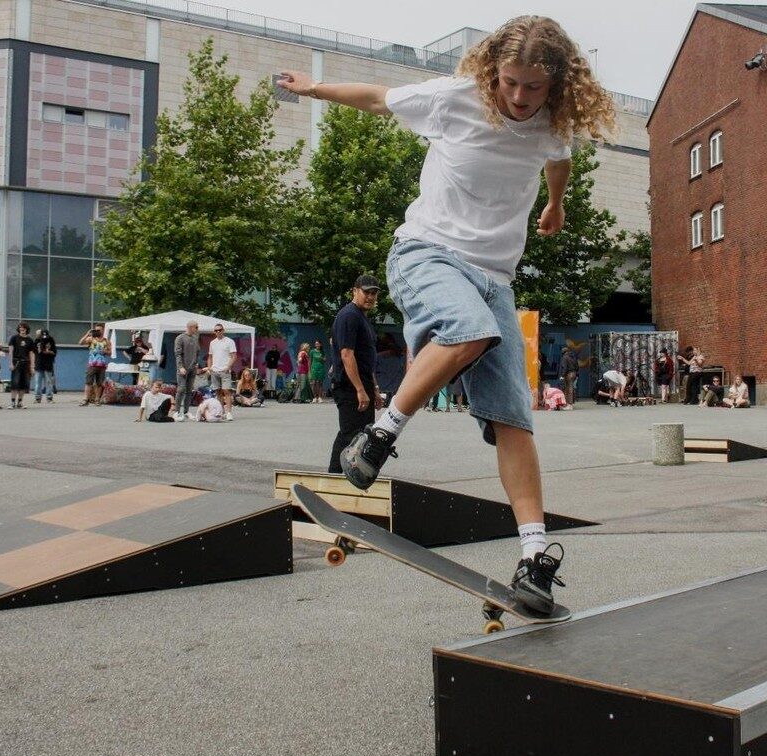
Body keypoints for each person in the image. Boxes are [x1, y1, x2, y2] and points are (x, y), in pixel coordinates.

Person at [279, 16, 614, 613]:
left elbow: (558, 161)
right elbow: (377, 98)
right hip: (426, 253)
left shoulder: (554, 125)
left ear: (555, 85)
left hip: (495, 281)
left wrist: (557, 205)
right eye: (509, 82)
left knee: (515, 418)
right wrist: (312, 88)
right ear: (493, 72)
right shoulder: (454, 99)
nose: (517, 97)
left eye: (532, 88)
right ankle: (376, 439)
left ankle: (533, 557)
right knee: (469, 331)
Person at [324, 274, 382, 469]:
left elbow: (366, 358)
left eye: (374, 293)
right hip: (349, 386)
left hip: (362, 383)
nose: (371, 297)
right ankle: (334, 478)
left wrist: (372, 388)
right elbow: (347, 354)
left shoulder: (361, 318)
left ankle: (352, 475)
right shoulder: (349, 315)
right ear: (355, 291)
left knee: (363, 435)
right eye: (366, 292)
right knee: (350, 433)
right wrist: (359, 389)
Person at [205, 322, 237, 420]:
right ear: (214, 332)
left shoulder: (229, 341)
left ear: (223, 330)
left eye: (220, 330)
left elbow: (234, 356)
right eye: (216, 330)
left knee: (226, 391)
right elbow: (210, 357)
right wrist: (209, 368)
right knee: (218, 392)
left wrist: (228, 367)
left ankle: (228, 412)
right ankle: (221, 411)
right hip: (215, 370)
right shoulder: (212, 343)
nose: (218, 332)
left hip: (225, 370)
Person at [173, 320, 201, 422]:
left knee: (189, 391)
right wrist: (180, 367)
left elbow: (197, 352)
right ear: (190, 327)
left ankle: (186, 411)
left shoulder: (195, 338)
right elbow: (178, 354)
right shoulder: (180, 338)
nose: (197, 329)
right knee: (181, 389)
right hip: (183, 368)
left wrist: (196, 363)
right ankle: (176, 412)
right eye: (196, 327)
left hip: (192, 369)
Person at [78, 325, 111, 406]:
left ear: (103, 331)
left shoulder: (106, 341)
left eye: (99, 330)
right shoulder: (91, 339)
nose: (97, 331)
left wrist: (105, 352)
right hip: (92, 364)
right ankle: (86, 399)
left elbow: (110, 353)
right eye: (96, 330)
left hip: (102, 365)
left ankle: (97, 400)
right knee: (88, 382)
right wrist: (87, 334)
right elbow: (80, 343)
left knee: (99, 383)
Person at [6, 323, 36, 409]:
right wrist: (10, 363)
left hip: (26, 363)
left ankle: (20, 402)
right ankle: (12, 402)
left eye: (23, 328)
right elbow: (10, 351)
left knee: (24, 383)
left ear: (26, 329)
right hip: (16, 362)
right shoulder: (14, 338)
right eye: (20, 328)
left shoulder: (30, 340)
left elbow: (31, 353)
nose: (22, 329)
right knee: (15, 382)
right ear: (18, 329)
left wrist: (32, 366)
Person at [32, 328, 57, 403]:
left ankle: (49, 398)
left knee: (49, 382)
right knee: (38, 382)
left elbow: (55, 352)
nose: (44, 337)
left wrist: (49, 352)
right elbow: (34, 352)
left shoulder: (51, 340)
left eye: (45, 335)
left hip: (48, 364)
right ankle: (37, 398)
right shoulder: (36, 341)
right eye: (42, 335)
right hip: (39, 363)